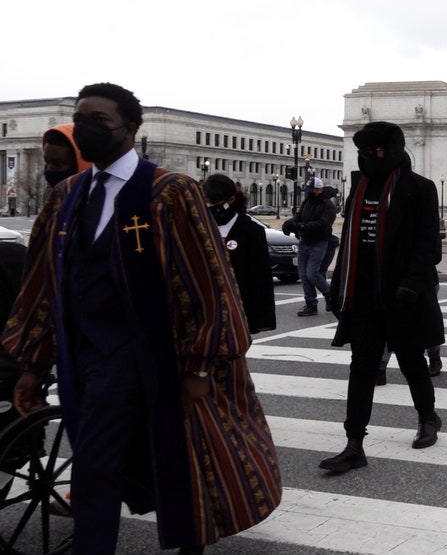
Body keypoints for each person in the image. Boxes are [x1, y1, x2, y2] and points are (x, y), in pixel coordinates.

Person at [2, 82, 281, 553]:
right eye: (81, 117)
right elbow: (44, 283)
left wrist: (200, 364)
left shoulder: (169, 192)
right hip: (84, 361)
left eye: (100, 121)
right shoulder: (67, 195)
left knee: (175, 465)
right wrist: (33, 363)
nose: (87, 128)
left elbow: (208, 280)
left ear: (130, 130)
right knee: (97, 467)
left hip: (153, 360)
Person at [321, 121, 445, 472]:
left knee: (410, 362)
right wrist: (338, 284)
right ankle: (354, 444)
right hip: (363, 297)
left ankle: (427, 416)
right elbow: (350, 240)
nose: (365, 158)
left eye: (371, 152)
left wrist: (412, 282)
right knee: (362, 367)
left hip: (402, 295)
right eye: (361, 152)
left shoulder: (419, 189)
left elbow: (428, 245)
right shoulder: (359, 189)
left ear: (388, 151)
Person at [203, 174, 276, 334]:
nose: (210, 206)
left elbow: (261, 275)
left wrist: (264, 318)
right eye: (208, 201)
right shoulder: (199, 226)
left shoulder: (250, 230)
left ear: (231, 199)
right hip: (206, 305)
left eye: (216, 201)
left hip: (239, 303)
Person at [284, 177, 336, 316]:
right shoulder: (307, 201)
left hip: (319, 241)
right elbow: (299, 215)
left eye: (311, 190)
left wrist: (301, 226)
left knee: (312, 273)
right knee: (303, 275)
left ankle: (330, 294)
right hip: (304, 241)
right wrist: (290, 223)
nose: (309, 192)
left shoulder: (328, 205)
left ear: (318, 189)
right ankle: (311, 304)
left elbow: (323, 224)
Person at [41, 123, 91, 187]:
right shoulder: (52, 194)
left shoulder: (98, 195)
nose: (49, 169)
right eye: (47, 162)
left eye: (58, 164)